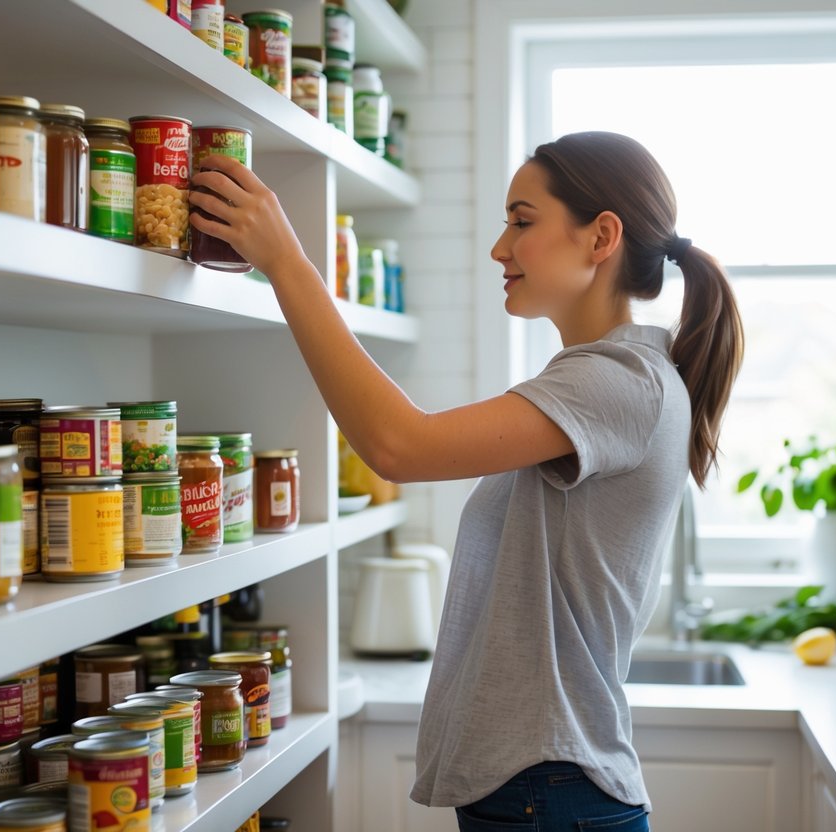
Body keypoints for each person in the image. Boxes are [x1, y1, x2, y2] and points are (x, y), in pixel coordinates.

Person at [190, 130, 744, 831]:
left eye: (521, 221)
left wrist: (286, 264)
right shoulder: (609, 377)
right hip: (546, 788)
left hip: (551, 789)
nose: (499, 248)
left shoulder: (618, 380)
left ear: (600, 236)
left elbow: (399, 445)